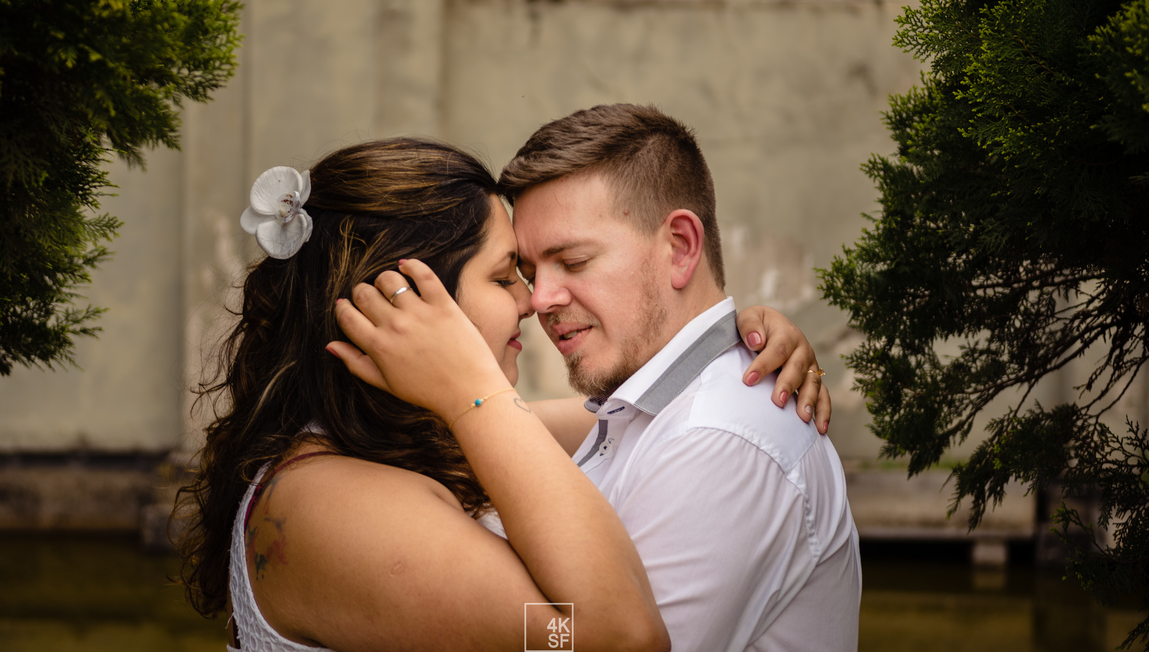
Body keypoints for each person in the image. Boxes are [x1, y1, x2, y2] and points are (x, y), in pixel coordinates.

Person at [177, 137, 825, 652]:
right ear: (405, 305)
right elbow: (604, 636)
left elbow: (643, 416)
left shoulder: (396, 446)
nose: (532, 300)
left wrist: (732, 337)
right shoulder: (327, 503)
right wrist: (470, 387)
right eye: (505, 274)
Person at [337, 106, 861, 652]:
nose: (539, 300)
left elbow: (608, 639)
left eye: (574, 261)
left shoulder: (719, 439)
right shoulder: (646, 409)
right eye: (529, 272)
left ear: (680, 248)